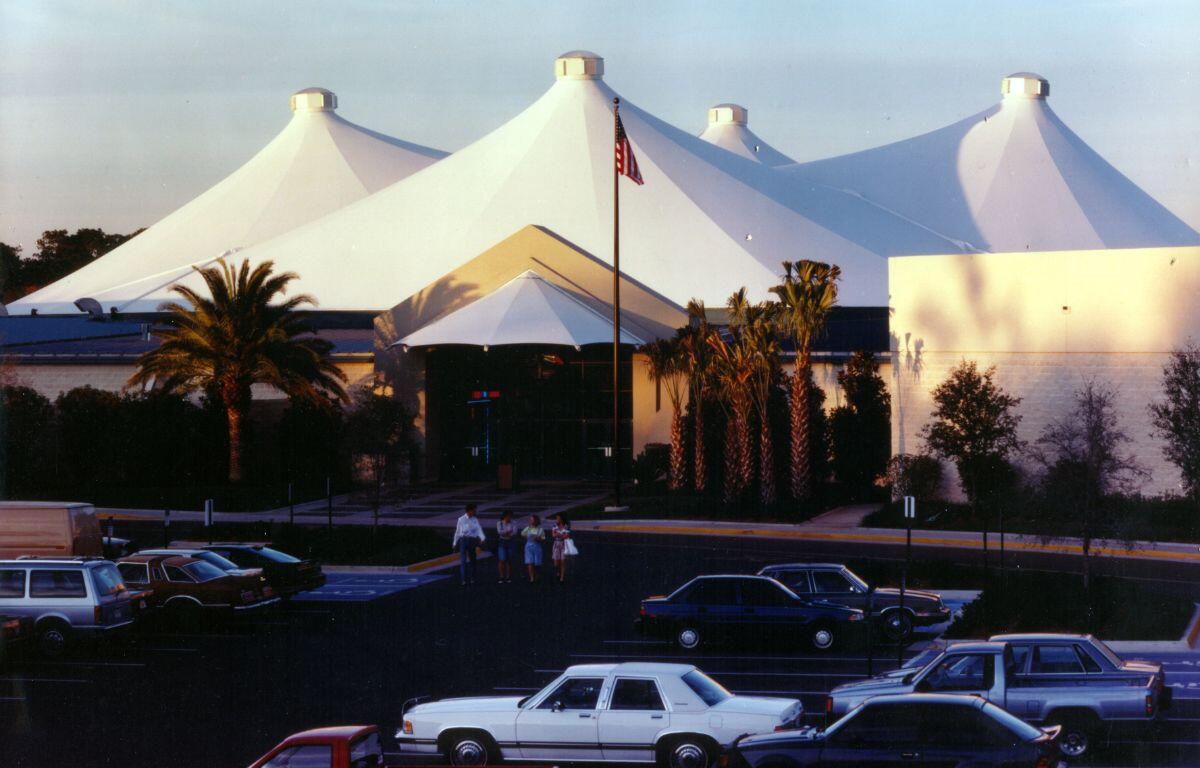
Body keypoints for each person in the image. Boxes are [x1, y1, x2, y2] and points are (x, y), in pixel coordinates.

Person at [451, 503, 486, 585]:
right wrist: (455, 542)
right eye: (474, 510)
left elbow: (479, 529)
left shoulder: (475, 519)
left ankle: (473, 578)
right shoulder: (461, 519)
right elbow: (458, 532)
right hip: (463, 540)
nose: (475, 512)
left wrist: (482, 538)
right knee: (463, 561)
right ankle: (463, 579)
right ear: (469, 511)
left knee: (473, 560)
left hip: (472, 540)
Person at [521, 514, 545, 583]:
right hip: (528, 546)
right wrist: (527, 537)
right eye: (531, 520)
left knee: (537, 563)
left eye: (532, 520)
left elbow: (543, 538)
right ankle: (531, 577)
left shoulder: (540, 529)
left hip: (537, 546)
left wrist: (538, 539)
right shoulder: (528, 528)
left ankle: (537, 576)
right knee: (530, 562)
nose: (531, 521)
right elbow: (522, 534)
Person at [550, 513, 573, 583]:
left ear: (561, 519)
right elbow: (553, 535)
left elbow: (567, 536)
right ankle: (558, 571)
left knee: (563, 562)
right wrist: (561, 535)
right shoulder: (554, 526)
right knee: (556, 563)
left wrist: (558, 534)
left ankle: (562, 577)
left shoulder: (566, 526)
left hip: (564, 544)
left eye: (558, 518)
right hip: (556, 544)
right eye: (556, 518)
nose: (557, 520)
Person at [495, 511, 516, 583]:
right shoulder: (499, 523)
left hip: (510, 541)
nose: (509, 518)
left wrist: (505, 533)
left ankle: (508, 576)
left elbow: (514, 532)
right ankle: (501, 576)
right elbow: (500, 532)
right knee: (502, 559)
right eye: (508, 516)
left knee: (509, 560)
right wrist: (508, 532)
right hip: (502, 542)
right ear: (505, 516)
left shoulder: (513, 523)